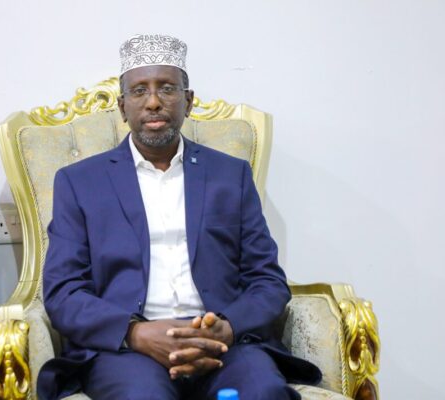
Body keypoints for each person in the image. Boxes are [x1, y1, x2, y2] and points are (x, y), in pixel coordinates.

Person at [37, 34, 321, 400]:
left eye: (167, 88)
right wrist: (134, 333)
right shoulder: (80, 182)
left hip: (224, 345)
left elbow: (267, 280)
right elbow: (64, 291)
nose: (153, 101)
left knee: (262, 393)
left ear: (188, 101)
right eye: (139, 91)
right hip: (128, 350)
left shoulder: (229, 175)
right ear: (122, 106)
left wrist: (228, 327)